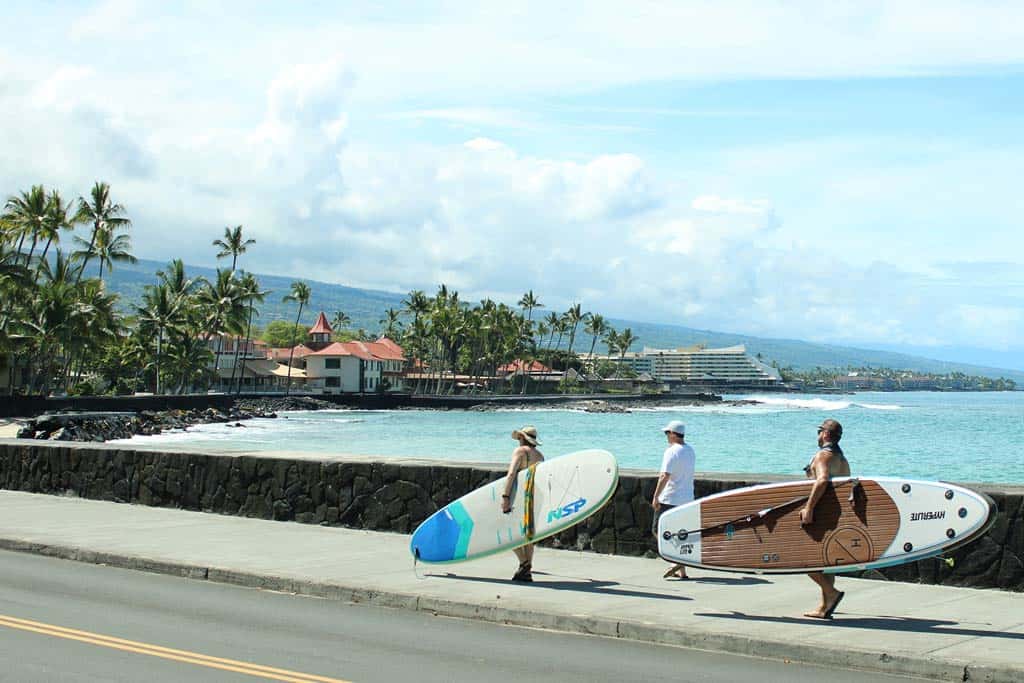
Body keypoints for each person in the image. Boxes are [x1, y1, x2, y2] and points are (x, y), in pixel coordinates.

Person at [799, 418, 850, 619]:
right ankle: (825, 605)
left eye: (820, 431)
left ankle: (831, 593)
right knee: (826, 561)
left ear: (826, 434)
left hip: (821, 514)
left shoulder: (824, 455)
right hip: (837, 515)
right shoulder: (841, 458)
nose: (818, 436)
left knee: (804, 559)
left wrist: (809, 507)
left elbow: (822, 481)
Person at [652, 420, 695, 579]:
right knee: (680, 533)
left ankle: (674, 560)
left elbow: (665, 476)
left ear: (673, 434)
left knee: (658, 530)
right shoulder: (690, 450)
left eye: (667, 433)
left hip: (670, 499)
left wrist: (656, 496)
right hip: (687, 499)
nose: (666, 436)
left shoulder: (671, 451)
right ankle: (681, 570)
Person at [501, 425, 545, 582]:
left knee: (507, 533)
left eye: (519, 438)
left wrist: (505, 496)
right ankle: (526, 571)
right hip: (533, 499)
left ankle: (524, 563)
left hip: (518, 498)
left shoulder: (520, 452)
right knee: (528, 535)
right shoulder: (540, 456)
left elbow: (512, 473)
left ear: (522, 438)